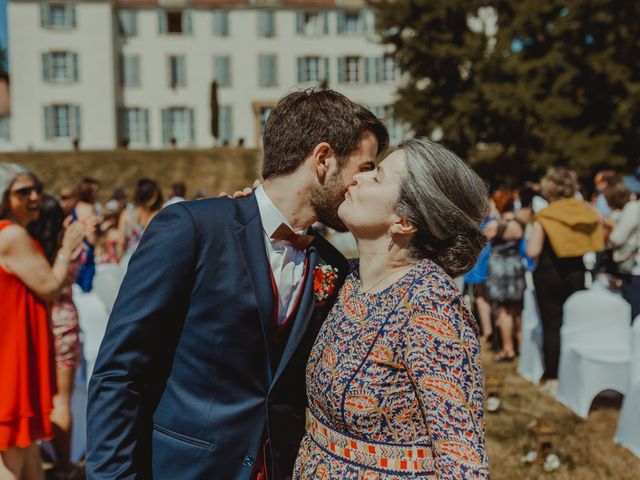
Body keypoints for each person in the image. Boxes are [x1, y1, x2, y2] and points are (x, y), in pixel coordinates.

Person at [86, 89, 389, 479]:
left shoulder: (330, 264)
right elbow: (119, 372)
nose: (365, 183)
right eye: (364, 168)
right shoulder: (193, 229)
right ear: (323, 159)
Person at [293, 138, 490, 479]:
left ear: (404, 222)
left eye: (377, 176)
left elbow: (462, 461)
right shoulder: (348, 278)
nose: (358, 177)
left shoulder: (431, 309)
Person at [0, 164, 85, 480]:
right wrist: (66, 249)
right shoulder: (12, 234)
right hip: (15, 350)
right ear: (5, 197)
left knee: (24, 449)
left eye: (37, 189)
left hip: (14, 343)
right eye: (23, 191)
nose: (35, 196)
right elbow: (50, 287)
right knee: (13, 449)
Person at [526, 167, 604, 393]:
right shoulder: (586, 211)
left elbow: (532, 250)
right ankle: (578, 373)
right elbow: (604, 230)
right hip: (577, 272)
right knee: (576, 323)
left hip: (549, 274)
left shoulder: (546, 215)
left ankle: (554, 376)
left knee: (552, 326)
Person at [28, 195, 86, 480]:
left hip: (33, 321)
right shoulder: (71, 246)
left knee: (33, 393)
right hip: (63, 322)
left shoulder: (30, 248)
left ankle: (37, 453)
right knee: (61, 399)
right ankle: (64, 464)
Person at [484, 188, 525, 362]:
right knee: (517, 309)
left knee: (503, 309)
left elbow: (481, 238)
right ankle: (522, 346)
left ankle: (508, 349)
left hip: (500, 267)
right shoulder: (519, 223)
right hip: (515, 265)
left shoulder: (495, 226)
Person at [608, 194, 640, 322]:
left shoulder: (634, 207)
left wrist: (611, 226)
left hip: (635, 270)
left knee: (635, 320)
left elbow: (617, 238)